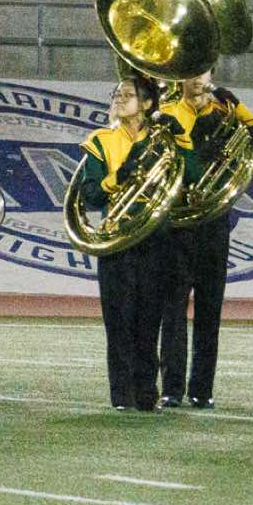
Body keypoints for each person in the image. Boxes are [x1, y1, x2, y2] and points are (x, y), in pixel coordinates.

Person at [154, 69, 253, 408]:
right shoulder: (166, 112)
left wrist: (239, 107)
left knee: (210, 309)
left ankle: (202, 389)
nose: (198, 79)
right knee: (173, 309)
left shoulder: (225, 113)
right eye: (191, 72)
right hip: (178, 223)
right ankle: (172, 387)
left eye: (203, 72)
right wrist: (201, 155)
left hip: (214, 222)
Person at [75, 75, 170, 411]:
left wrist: (180, 142)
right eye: (117, 94)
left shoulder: (163, 141)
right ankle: (122, 395)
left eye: (128, 95)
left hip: (156, 239)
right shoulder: (100, 141)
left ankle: (146, 393)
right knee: (119, 322)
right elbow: (91, 195)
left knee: (149, 321)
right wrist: (120, 175)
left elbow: (184, 179)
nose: (119, 98)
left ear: (147, 104)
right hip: (117, 239)